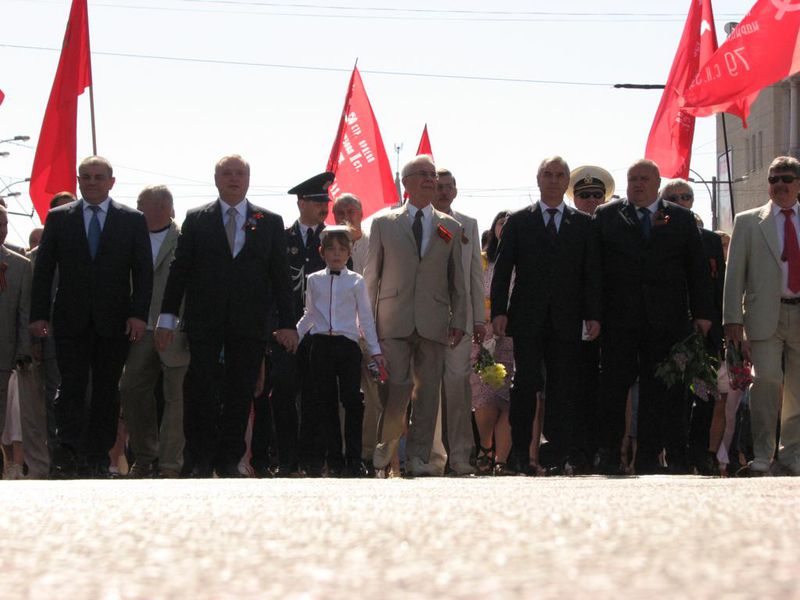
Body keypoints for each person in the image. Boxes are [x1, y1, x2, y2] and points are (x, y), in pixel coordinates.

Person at [156, 154, 296, 478]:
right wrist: (166, 318)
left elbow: (280, 278)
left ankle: (229, 459)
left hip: (249, 323)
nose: (234, 179)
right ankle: (200, 459)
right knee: (201, 390)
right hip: (205, 321)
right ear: (216, 179)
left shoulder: (269, 221)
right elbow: (180, 271)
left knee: (240, 391)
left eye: (240, 174)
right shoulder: (197, 219)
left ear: (248, 179)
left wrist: (287, 323)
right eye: (227, 173)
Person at [30, 156, 152, 478]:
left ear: (111, 181)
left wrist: (139, 315)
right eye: (86, 176)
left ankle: (97, 455)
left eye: (99, 177)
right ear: (78, 181)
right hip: (70, 320)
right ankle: (67, 452)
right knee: (71, 388)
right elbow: (43, 271)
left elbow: (142, 273)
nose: (92, 182)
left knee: (106, 390)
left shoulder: (132, 220)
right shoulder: (59, 218)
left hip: (115, 322)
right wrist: (38, 314)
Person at [593, 159, 712, 475]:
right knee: (614, 388)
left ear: (658, 184)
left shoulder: (681, 218)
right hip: (619, 319)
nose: (637, 184)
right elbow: (594, 270)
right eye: (632, 178)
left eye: (644, 179)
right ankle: (609, 454)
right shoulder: (607, 215)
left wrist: (702, 314)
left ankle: (648, 456)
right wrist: (594, 314)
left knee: (657, 391)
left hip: (666, 320)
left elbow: (697, 270)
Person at [491, 156, 601, 476]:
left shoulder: (583, 223)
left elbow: (591, 273)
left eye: (559, 175)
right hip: (527, 318)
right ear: (538, 180)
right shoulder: (519, 221)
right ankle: (519, 456)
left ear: (566, 182)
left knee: (562, 387)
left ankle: (555, 455)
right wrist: (499, 310)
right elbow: (503, 270)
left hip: (569, 320)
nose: (553, 180)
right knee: (525, 384)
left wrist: (594, 315)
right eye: (548, 175)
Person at [364, 154, 467, 477]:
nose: (429, 179)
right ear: (406, 182)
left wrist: (460, 321)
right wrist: (367, 326)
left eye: (432, 175)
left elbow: (457, 282)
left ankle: (419, 457)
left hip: (434, 321)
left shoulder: (450, 226)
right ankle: (389, 442)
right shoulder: (384, 223)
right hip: (392, 320)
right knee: (398, 385)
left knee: (427, 394)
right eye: (421, 174)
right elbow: (371, 276)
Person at [252, 171, 333, 477]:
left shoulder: (333, 240)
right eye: (316, 202)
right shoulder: (280, 238)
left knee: (316, 397)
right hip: (283, 332)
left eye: (325, 201)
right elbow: (270, 287)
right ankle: (286, 459)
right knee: (283, 395)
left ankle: (314, 460)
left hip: (320, 331)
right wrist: (275, 327)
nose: (322, 207)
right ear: (301, 203)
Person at [723, 156, 800, 476]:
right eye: (774, 179)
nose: (779, 184)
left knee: (797, 390)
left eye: (786, 178)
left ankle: (791, 455)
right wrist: (732, 321)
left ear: (798, 184)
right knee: (766, 380)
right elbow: (734, 274)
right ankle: (763, 454)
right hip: (764, 315)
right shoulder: (748, 221)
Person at [296, 226, 385, 476]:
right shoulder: (314, 280)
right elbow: (310, 314)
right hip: (321, 345)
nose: (336, 254)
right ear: (322, 252)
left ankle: (354, 459)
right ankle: (334, 460)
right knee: (326, 403)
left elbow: (365, 318)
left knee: (352, 400)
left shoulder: (355, 281)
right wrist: (296, 334)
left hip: (347, 345)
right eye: (331, 249)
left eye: (342, 249)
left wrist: (375, 351)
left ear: (349, 253)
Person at [119, 185, 189, 478]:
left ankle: (170, 463)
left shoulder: (185, 238)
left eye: (139, 204)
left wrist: (176, 321)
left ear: (161, 207)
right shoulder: (130, 237)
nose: (135, 209)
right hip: (139, 329)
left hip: (175, 330)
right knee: (131, 388)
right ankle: (146, 455)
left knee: (176, 397)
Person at [660, 178, 727, 474]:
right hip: (673, 332)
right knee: (675, 397)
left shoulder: (710, 240)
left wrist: (722, 330)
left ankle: (700, 452)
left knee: (705, 396)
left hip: (704, 335)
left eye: (686, 196)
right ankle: (676, 455)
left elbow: (719, 287)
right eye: (673, 197)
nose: (681, 200)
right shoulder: (656, 234)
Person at [428, 167, 485, 476]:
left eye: (449, 186)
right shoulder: (419, 223)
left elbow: (475, 273)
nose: (444, 192)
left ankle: (462, 455)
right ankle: (432, 456)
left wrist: (479, 318)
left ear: (456, 190)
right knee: (428, 391)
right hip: (425, 318)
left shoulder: (469, 225)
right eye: (439, 187)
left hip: (460, 321)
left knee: (458, 386)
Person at [566, 165, 615, 470]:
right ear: (575, 198)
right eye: (584, 195)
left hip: (613, 320)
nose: (591, 200)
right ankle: (577, 451)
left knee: (608, 389)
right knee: (577, 387)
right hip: (577, 320)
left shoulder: (615, 225)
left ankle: (606, 450)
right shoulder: (571, 226)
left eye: (597, 195)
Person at [332, 193, 379, 469]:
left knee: (375, 395)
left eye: (352, 210)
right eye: (341, 211)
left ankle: (368, 452)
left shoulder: (376, 241)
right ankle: (341, 451)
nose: (347, 215)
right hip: (341, 334)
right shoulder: (329, 248)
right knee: (342, 396)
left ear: (362, 213)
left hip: (372, 334)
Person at [471, 210, 514, 475]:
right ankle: (485, 448)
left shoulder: (524, 259)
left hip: (513, 335)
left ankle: (502, 459)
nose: (506, 227)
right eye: (502, 222)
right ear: (494, 227)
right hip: (482, 335)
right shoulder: (481, 260)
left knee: (510, 399)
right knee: (485, 398)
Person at [0, 205, 32, 477]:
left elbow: (24, 312)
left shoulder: (20, 265)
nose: (2, 230)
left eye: (4, 224)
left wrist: (23, 351)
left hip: (4, 355)